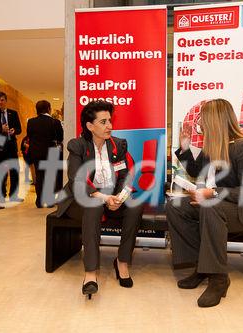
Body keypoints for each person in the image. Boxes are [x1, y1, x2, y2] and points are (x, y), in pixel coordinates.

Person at [166, 98, 243, 308]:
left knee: (210, 206)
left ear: (214, 121)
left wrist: (211, 192)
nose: (199, 124)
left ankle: (218, 278)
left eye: (203, 119)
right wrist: (185, 148)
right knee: (175, 207)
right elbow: (196, 172)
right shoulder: (211, 147)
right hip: (219, 205)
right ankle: (201, 266)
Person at [55, 100, 142, 299]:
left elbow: (124, 175)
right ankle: (91, 273)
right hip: (82, 197)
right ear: (89, 126)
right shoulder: (77, 145)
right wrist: (103, 197)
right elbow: (76, 178)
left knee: (134, 207)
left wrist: (119, 198)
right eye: (103, 122)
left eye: (110, 121)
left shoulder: (118, 145)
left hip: (110, 194)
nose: (109, 126)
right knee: (93, 206)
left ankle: (122, 261)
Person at [27, 100, 63, 208]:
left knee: (39, 176)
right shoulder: (55, 122)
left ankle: (39, 201)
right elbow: (60, 138)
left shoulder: (31, 122)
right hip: (51, 152)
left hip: (37, 152)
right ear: (49, 108)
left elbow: (30, 136)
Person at [0, 92, 23, 202]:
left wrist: (14, 131)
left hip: (11, 146)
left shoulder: (13, 113)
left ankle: (13, 195)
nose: (0, 102)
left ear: (6, 101)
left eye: (2, 100)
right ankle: (2, 195)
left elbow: (19, 129)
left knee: (14, 171)